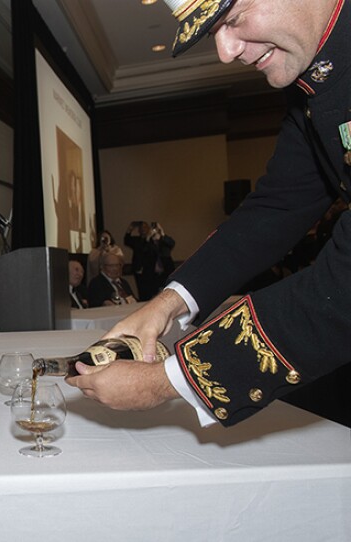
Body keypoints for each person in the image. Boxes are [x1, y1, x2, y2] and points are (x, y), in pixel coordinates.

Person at [66, 0, 351, 428]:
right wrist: (167, 303)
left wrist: (167, 380)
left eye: (233, 20)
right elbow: (277, 206)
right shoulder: (316, 80)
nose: (225, 52)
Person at [123, 221, 176, 301]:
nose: (143, 229)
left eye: (145, 227)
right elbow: (142, 249)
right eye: (141, 228)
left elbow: (171, 243)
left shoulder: (161, 240)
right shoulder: (141, 241)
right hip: (149, 275)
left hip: (164, 273)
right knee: (148, 296)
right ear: (139, 231)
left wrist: (162, 233)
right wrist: (146, 237)